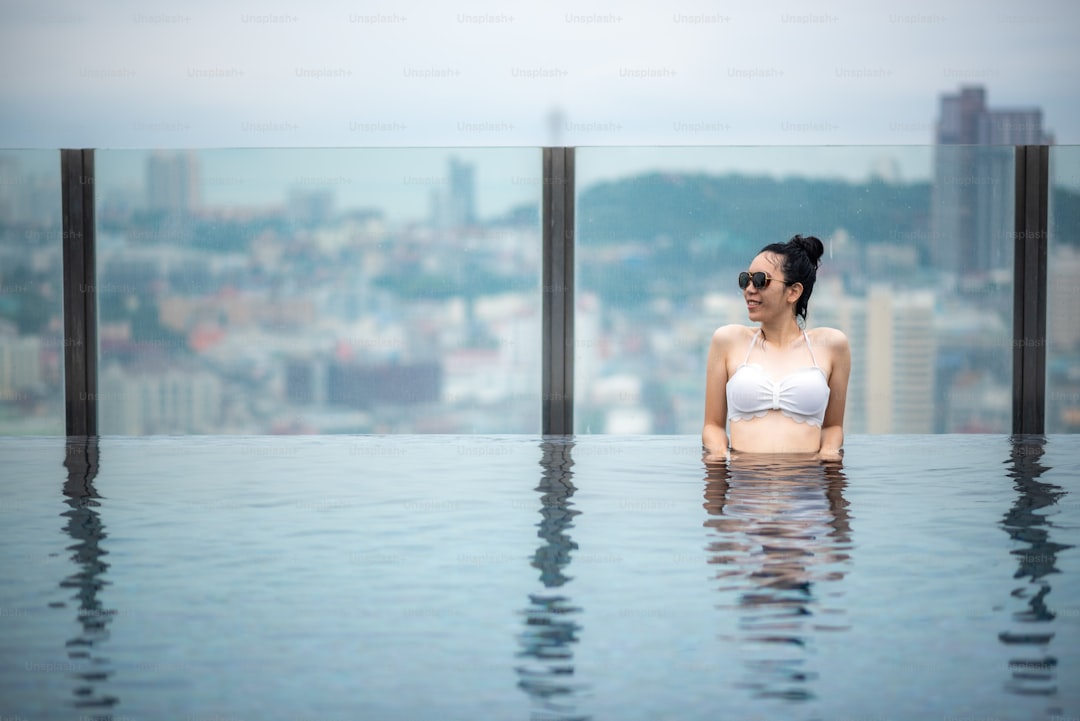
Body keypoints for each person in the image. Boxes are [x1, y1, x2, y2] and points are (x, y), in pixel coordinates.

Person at [702, 235, 850, 462]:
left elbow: (832, 427)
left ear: (793, 292)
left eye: (761, 280)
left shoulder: (831, 346)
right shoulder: (727, 340)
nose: (750, 289)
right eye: (745, 280)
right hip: (745, 487)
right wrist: (720, 461)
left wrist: (828, 456)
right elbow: (713, 425)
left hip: (806, 486)